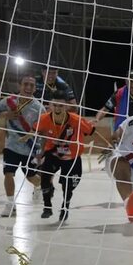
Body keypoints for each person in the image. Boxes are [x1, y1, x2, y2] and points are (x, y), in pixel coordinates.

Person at [24, 90, 95, 222]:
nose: (57, 108)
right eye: (55, 105)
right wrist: (28, 140)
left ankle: (65, 207)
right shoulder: (44, 119)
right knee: (44, 176)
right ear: (50, 105)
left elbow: (90, 131)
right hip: (53, 154)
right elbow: (36, 131)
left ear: (67, 106)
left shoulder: (76, 120)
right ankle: (47, 206)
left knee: (68, 185)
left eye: (61, 106)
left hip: (72, 157)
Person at [0, 74, 45, 217]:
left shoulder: (39, 108)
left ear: (35, 88)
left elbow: (44, 129)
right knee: (8, 173)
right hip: (11, 146)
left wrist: (42, 150)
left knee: (30, 176)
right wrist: (5, 114)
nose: (28, 87)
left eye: (31, 85)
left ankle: (40, 186)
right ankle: (10, 204)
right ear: (20, 85)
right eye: (25, 84)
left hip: (30, 148)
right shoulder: (9, 101)